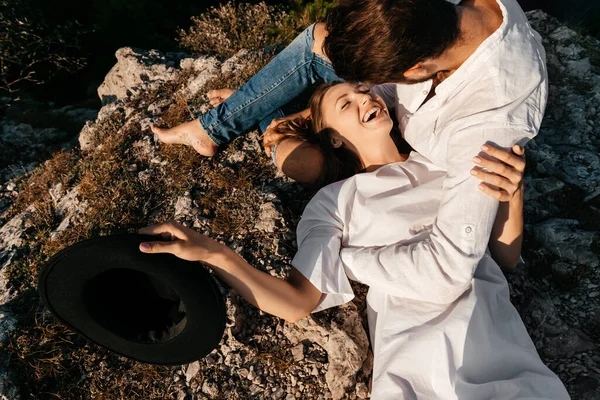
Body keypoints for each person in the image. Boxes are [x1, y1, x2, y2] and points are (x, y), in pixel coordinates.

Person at [139, 82, 569, 399]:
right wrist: (213, 253)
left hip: (504, 352)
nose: (367, 98)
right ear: (333, 138)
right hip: (417, 362)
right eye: (348, 102)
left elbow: (501, 257)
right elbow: (297, 301)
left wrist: (512, 191)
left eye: (365, 90)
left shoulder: (445, 161)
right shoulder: (336, 200)